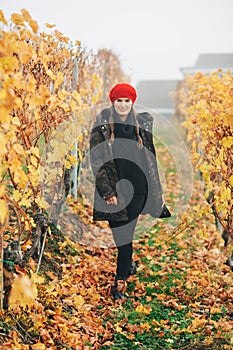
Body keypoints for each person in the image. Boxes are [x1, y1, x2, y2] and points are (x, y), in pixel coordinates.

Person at [90, 83, 164, 301]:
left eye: (127, 101)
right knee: (120, 236)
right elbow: (97, 161)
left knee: (124, 239)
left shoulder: (141, 125)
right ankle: (128, 265)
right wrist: (107, 191)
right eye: (119, 100)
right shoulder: (102, 127)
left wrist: (152, 195)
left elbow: (150, 159)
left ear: (132, 102)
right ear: (113, 102)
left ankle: (119, 285)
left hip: (138, 190)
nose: (123, 105)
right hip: (114, 192)